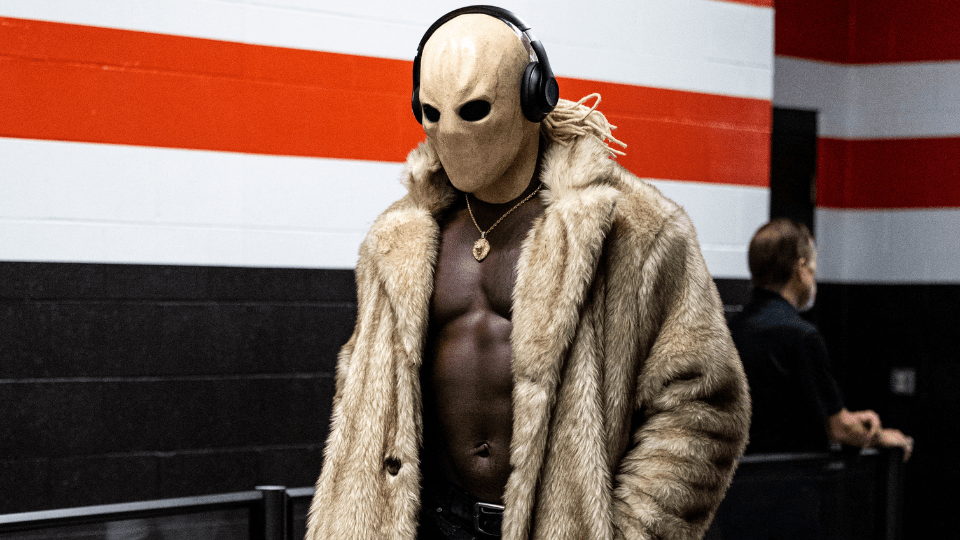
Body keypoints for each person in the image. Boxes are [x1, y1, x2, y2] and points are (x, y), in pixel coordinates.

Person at [306, 6, 750, 540]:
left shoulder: (633, 231)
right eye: (431, 112)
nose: (450, 133)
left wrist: (631, 530)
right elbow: (364, 395)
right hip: (426, 523)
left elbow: (704, 402)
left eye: (474, 110)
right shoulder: (399, 239)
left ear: (535, 96)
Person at [717, 218, 912, 539]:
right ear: (801, 268)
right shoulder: (801, 336)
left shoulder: (728, 331)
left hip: (735, 498)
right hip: (789, 499)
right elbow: (839, 428)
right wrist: (881, 437)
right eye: (814, 266)